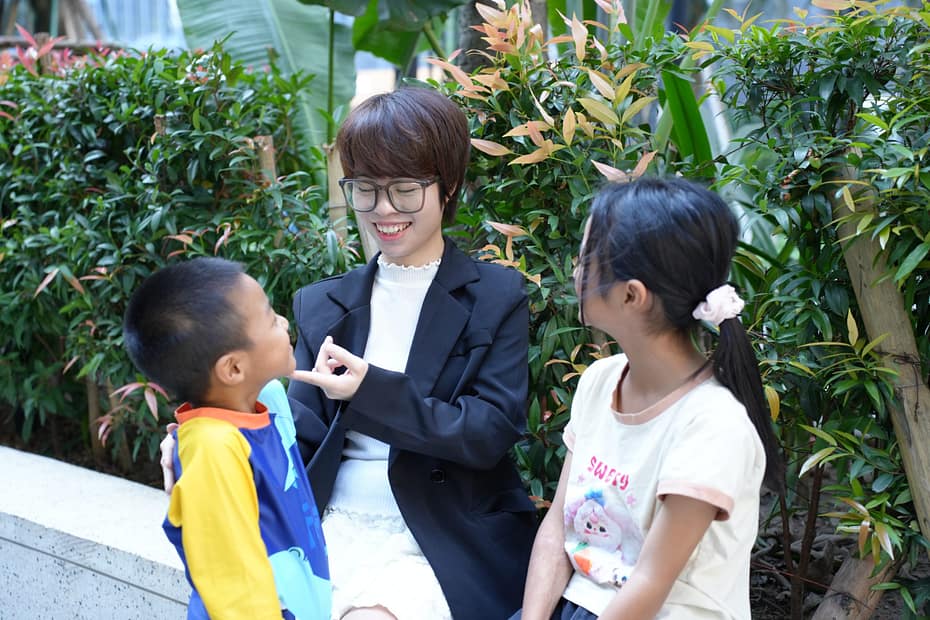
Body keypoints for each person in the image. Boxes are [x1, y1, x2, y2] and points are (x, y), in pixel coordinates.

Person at [282, 86, 537, 620]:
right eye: (366, 189)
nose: (384, 209)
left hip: (441, 535)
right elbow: (300, 441)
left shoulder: (496, 298)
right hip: (332, 524)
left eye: (404, 189)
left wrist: (370, 391)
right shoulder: (321, 304)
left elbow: (487, 432)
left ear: (449, 186)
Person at [515, 178, 784, 619]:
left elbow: (650, 583)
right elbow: (557, 530)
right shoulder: (600, 381)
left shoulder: (713, 426)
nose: (576, 272)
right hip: (580, 603)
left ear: (631, 295)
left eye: (585, 259)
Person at [126, 257, 331, 620]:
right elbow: (235, 591)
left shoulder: (266, 402)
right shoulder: (213, 450)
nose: (285, 323)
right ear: (234, 368)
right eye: (271, 319)